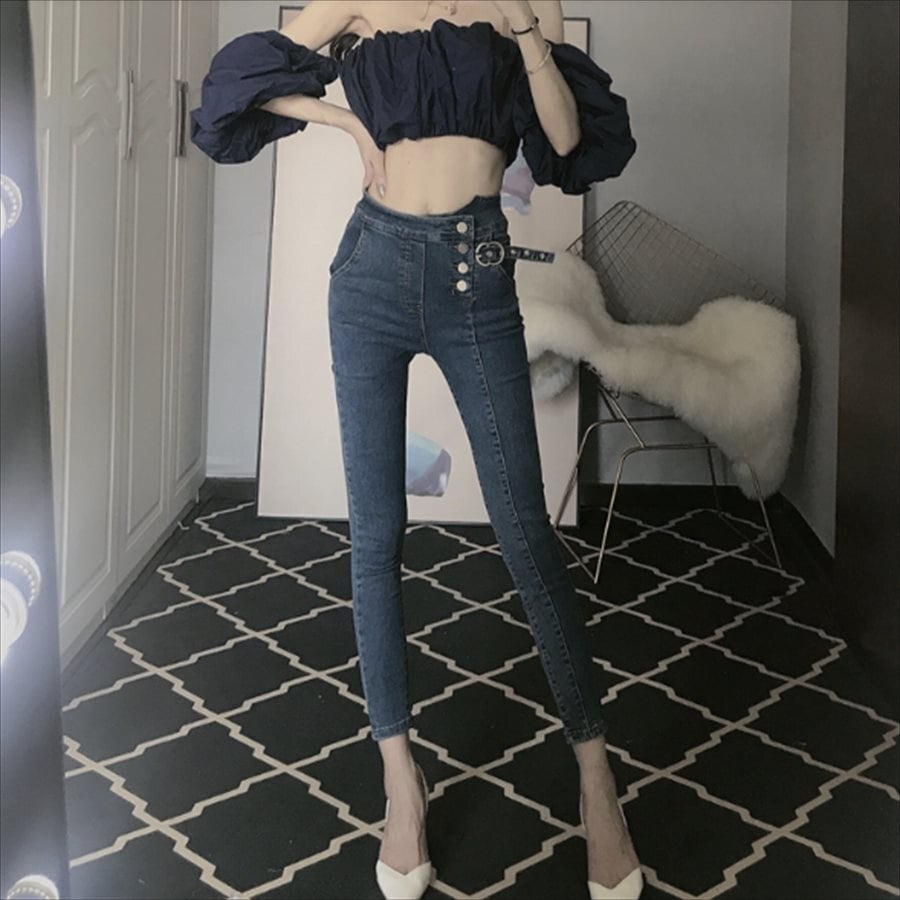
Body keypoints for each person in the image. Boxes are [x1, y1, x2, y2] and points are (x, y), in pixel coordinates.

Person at [190, 2, 641, 897]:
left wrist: (525, 29)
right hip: (373, 272)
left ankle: (597, 780)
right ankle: (401, 779)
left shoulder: (528, 4)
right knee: (376, 537)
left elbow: (562, 142)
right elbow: (231, 87)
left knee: (526, 535)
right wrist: (344, 121)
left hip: (479, 275)